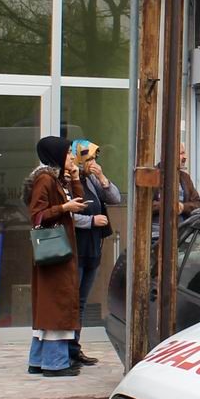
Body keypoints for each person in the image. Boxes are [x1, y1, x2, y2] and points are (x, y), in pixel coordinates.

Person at [25, 136, 85, 377]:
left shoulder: (58, 179)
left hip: (61, 250)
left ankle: (38, 360)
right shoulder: (45, 179)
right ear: (56, 155)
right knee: (57, 303)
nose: (72, 157)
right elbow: (36, 214)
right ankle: (54, 363)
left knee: (54, 303)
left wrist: (77, 178)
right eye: (68, 153)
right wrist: (63, 209)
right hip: (54, 251)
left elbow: (81, 203)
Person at [68, 139, 122, 368]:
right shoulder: (69, 181)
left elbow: (115, 198)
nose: (92, 163)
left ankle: (74, 348)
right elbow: (66, 216)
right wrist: (91, 221)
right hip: (75, 249)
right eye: (88, 158)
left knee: (80, 301)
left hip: (93, 249)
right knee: (71, 301)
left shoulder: (90, 180)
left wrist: (101, 177)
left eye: (94, 159)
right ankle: (66, 350)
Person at [148, 143, 200, 224]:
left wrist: (183, 207)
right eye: (181, 153)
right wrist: (167, 205)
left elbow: (198, 204)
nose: (185, 157)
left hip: (181, 231)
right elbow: (145, 205)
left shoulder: (185, 178)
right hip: (155, 232)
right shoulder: (152, 175)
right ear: (170, 155)